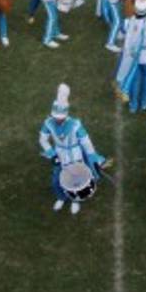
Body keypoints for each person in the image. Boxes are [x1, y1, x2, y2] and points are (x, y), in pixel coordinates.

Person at [39, 84, 106, 215]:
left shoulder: (75, 125)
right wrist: (52, 155)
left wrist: (93, 159)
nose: (57, 120)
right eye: (55, 117)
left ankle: (75, 201)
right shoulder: (48, 123)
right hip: (60, 155)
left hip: (76, 156)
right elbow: (42, 140)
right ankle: (61, 197)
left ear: (65, 115)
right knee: (56, 179)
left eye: (60, 117)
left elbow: (86, 143)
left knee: (77, 180)